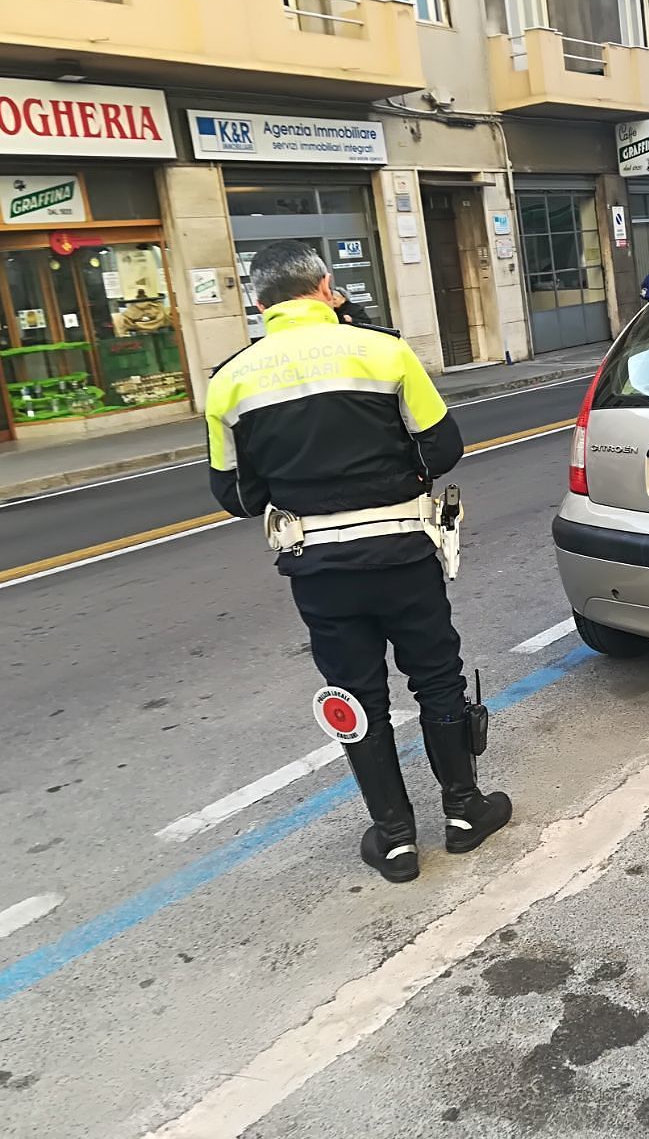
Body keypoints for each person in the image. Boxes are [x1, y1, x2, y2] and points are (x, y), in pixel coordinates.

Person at [204, 241, 511, 883]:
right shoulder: (384, 350)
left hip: (318, 567)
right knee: (435, 677)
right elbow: (444, 447)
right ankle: (463, 812)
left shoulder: (229, 381)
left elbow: (236, 495)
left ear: (258, 302)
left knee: (355, 694)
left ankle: (396, 840)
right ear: (326, 287)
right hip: (402, 550)